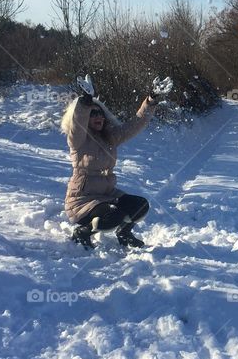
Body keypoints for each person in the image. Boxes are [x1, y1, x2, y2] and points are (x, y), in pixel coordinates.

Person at [61, 74, 170, 249]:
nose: (98, 117)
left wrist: (151, 100)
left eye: (100, 113)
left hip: (106, 195)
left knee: (140, 206)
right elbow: (77, 123)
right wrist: (86, 101)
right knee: (113, 217)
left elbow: (136, 123)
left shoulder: (110, 138)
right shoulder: (78, 140)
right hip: (82, 201)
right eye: (93, 113)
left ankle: (124, 233)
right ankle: (82, 232)